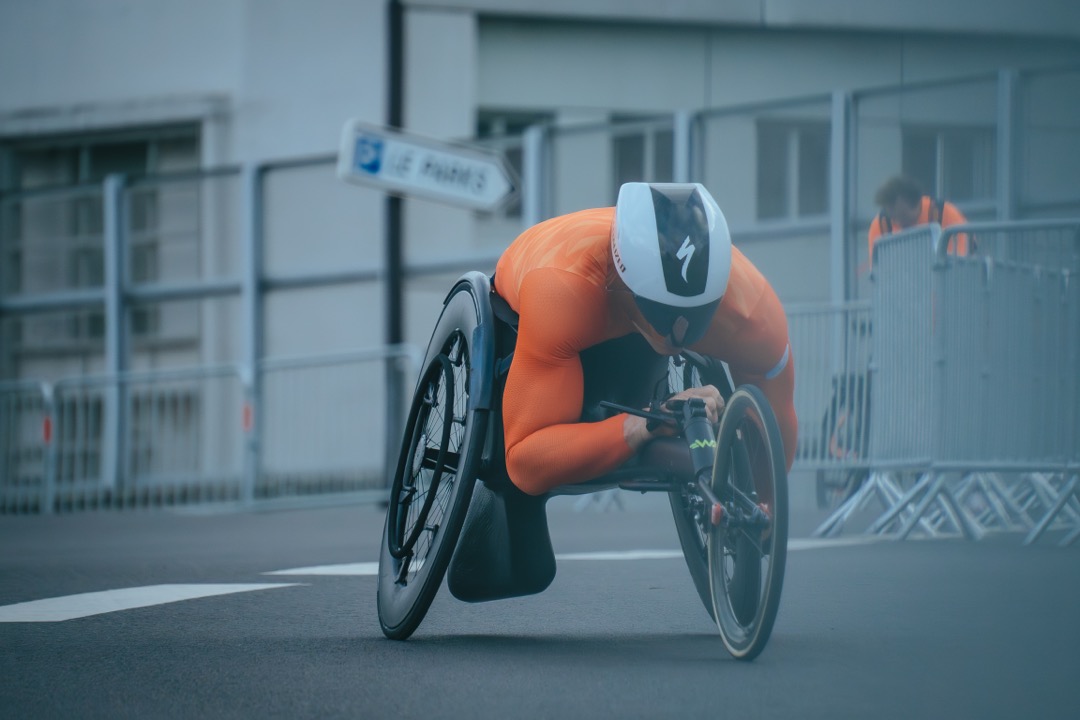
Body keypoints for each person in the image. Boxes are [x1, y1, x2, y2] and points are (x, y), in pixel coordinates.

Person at [492, 182, 797, 496]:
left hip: (615, 305)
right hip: (573, 294)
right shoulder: (561, 291)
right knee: (513, 499)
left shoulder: (754, 314)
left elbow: (776, 428)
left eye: (696, 316)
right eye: (664, 313)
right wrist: (642, 425)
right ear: (626, 284)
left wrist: (763, 508)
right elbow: (524, 463)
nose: (677, 333)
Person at [867, 175, 969, 267]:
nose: (898, 223)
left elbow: (960, 262)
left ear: (917, 203)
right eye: (893, 218)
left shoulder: (944, 214)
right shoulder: (881, 225)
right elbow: (878, 273)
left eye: (903, 217)